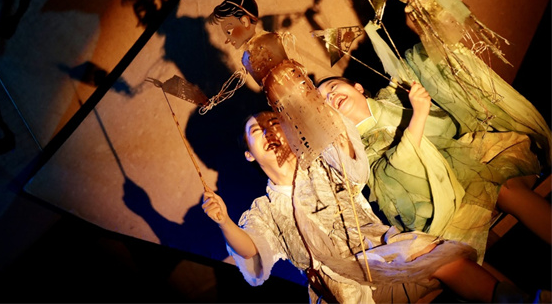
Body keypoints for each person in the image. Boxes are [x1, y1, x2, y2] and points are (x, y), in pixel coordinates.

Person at [202, 110, 544, 303]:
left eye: (273, 124)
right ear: (249, 153)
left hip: (385, 255)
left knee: (441, 257)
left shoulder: (322, 162)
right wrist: (224, 222)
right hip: (342, 289)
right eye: (256, 131)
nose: (267, 132)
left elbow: (354, 167)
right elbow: (251, 249)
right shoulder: (264, 210)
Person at [349, 0, 552, 155]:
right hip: (420, 14)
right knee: (444, 62)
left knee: (451, 58)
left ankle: (479, 101)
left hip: (429, 9)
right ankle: (472, 100)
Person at [316, 72, 550, 264]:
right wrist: (418, 116)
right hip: (436, 202)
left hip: (471, 160)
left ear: (357, 87)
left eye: (333, 87)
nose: (331, 96)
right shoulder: (356, 152)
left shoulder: (394, 96)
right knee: (460, 239)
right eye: (324, 101)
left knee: (504, 189)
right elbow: (392, 178)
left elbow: (445, 127)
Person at [207, 0, 368, 181]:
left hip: (299, 98)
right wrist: (217, 97)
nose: (228, 39)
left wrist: (306, 104)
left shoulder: (267, 41)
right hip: (286, 109)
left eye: (229, 30)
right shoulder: (247, 57)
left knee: (330, 141)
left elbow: (288, 79)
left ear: (245, 21)